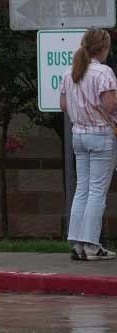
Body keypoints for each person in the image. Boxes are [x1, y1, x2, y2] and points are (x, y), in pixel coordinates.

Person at [60, 28, 117, 261]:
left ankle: (77, 243)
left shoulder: (69, 73)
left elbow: (63, 105)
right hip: (102, 134)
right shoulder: (104, 73)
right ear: (103, 48)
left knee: (82, 188)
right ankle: (92, 245)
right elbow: (110, 105)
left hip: (79, 135)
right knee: (96, 191)